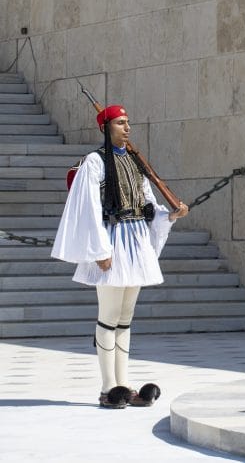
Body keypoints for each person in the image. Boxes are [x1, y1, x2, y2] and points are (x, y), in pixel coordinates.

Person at [51, 104, 189, 409]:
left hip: (136, 242)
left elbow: (147, 205)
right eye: (120, 123)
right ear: (106, 127)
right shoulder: (95, 162)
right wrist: (99, 249)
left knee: (125, 318)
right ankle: (107, 387)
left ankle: (123, 385)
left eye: (128, 123)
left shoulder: (134, 163)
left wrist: (170, 215)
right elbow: (88, 207)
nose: (127, 128)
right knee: (109, 316)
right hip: (112, 242)